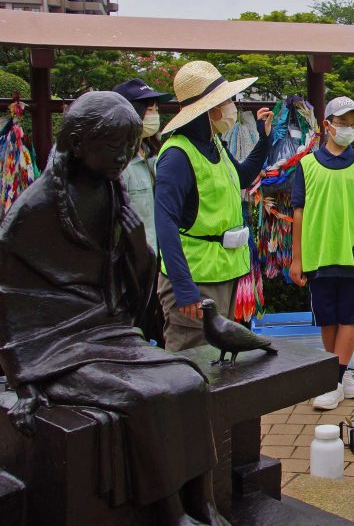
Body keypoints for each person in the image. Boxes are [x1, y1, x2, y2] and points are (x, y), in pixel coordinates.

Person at [0, 92, 224, 525]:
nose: (124, 157)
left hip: (105, 331)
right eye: (113, 147)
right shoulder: (35, 210)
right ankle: (170, 513)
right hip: (52, 347)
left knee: (190, 379)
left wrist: (136, 244)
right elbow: (9, 302)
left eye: (129, 146)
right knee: (142, 395)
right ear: (78, 143)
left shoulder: (112, 192)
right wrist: (23, 379)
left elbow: (132, 296)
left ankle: (204, 503)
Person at [155, 61, 273, 352]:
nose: (232, 106)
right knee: (192, 363)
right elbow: (165, 223)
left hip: (223, 273)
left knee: (217, 364)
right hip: (196, 282)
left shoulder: (214, 143)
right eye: (227, 101)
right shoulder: (177, 155)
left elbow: (242, 177)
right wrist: (183, 289)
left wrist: (265, 140)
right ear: (209, 109)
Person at [289, 96, 354, 410]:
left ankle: (333, 380)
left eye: (352, 122)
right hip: (319, 255)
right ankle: (340, 377)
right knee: (328, 320)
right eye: (342, 122)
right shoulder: (306, 165)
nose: (347, 128)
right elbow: (299, 213)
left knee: (350, 319)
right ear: (327, 125)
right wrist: (297, 258)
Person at [112, 78, 173, 253]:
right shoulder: (118, 164)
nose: (155, 115)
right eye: (149, 109)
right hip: (129, 258)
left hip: (157, 255)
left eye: (156, 109)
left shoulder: (152, 154)